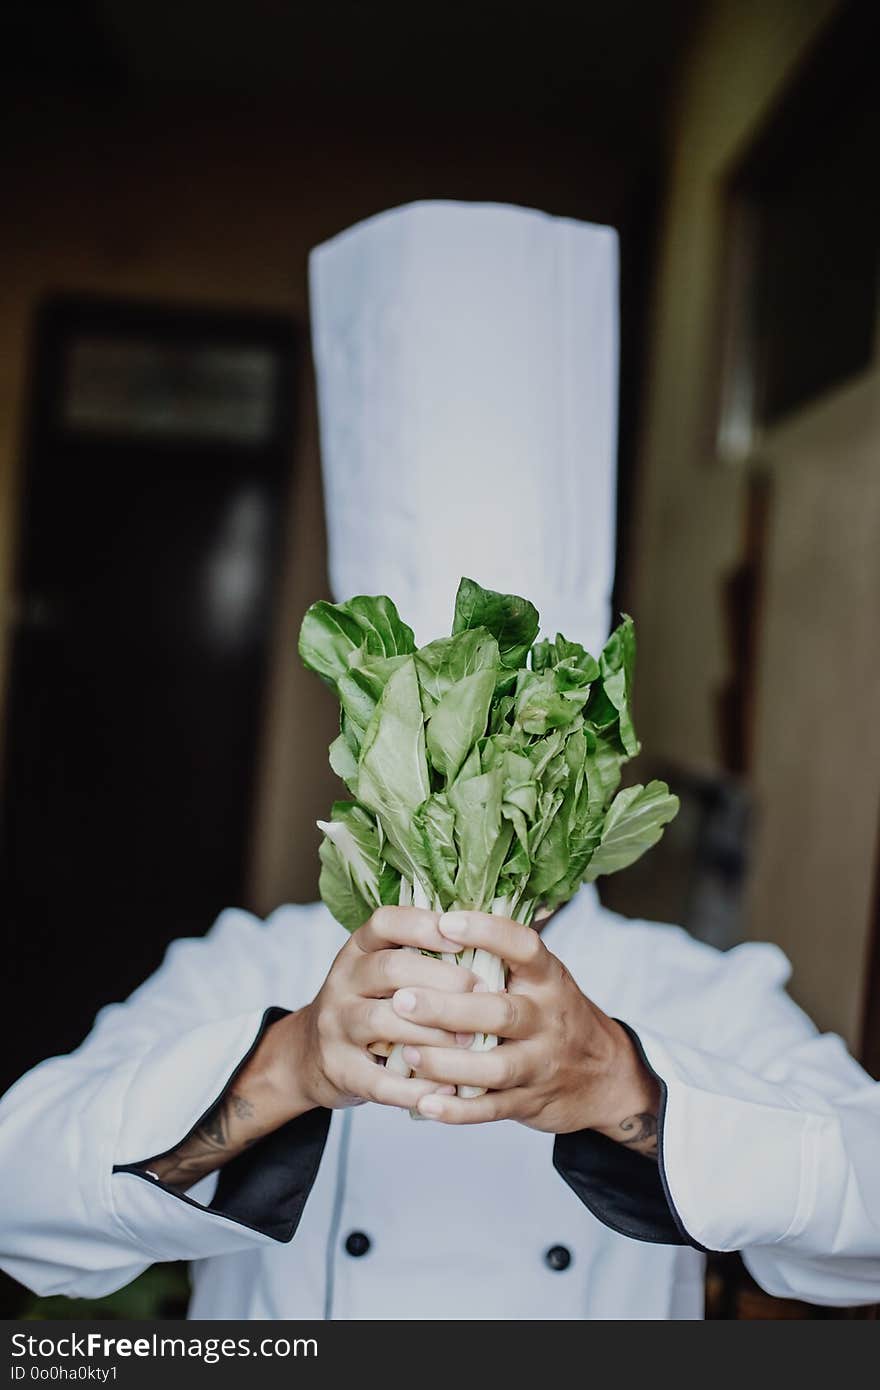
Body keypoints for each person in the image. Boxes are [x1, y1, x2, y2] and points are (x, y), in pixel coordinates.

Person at [1, 204, 879, 1321]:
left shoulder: (694, 990)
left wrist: (618, 1080)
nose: (471, 766)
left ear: (580, 758)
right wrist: (295, 1064)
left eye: (517, 728)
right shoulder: (251, 967)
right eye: (429, 722)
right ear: (371, 747)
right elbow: (15, 1198)